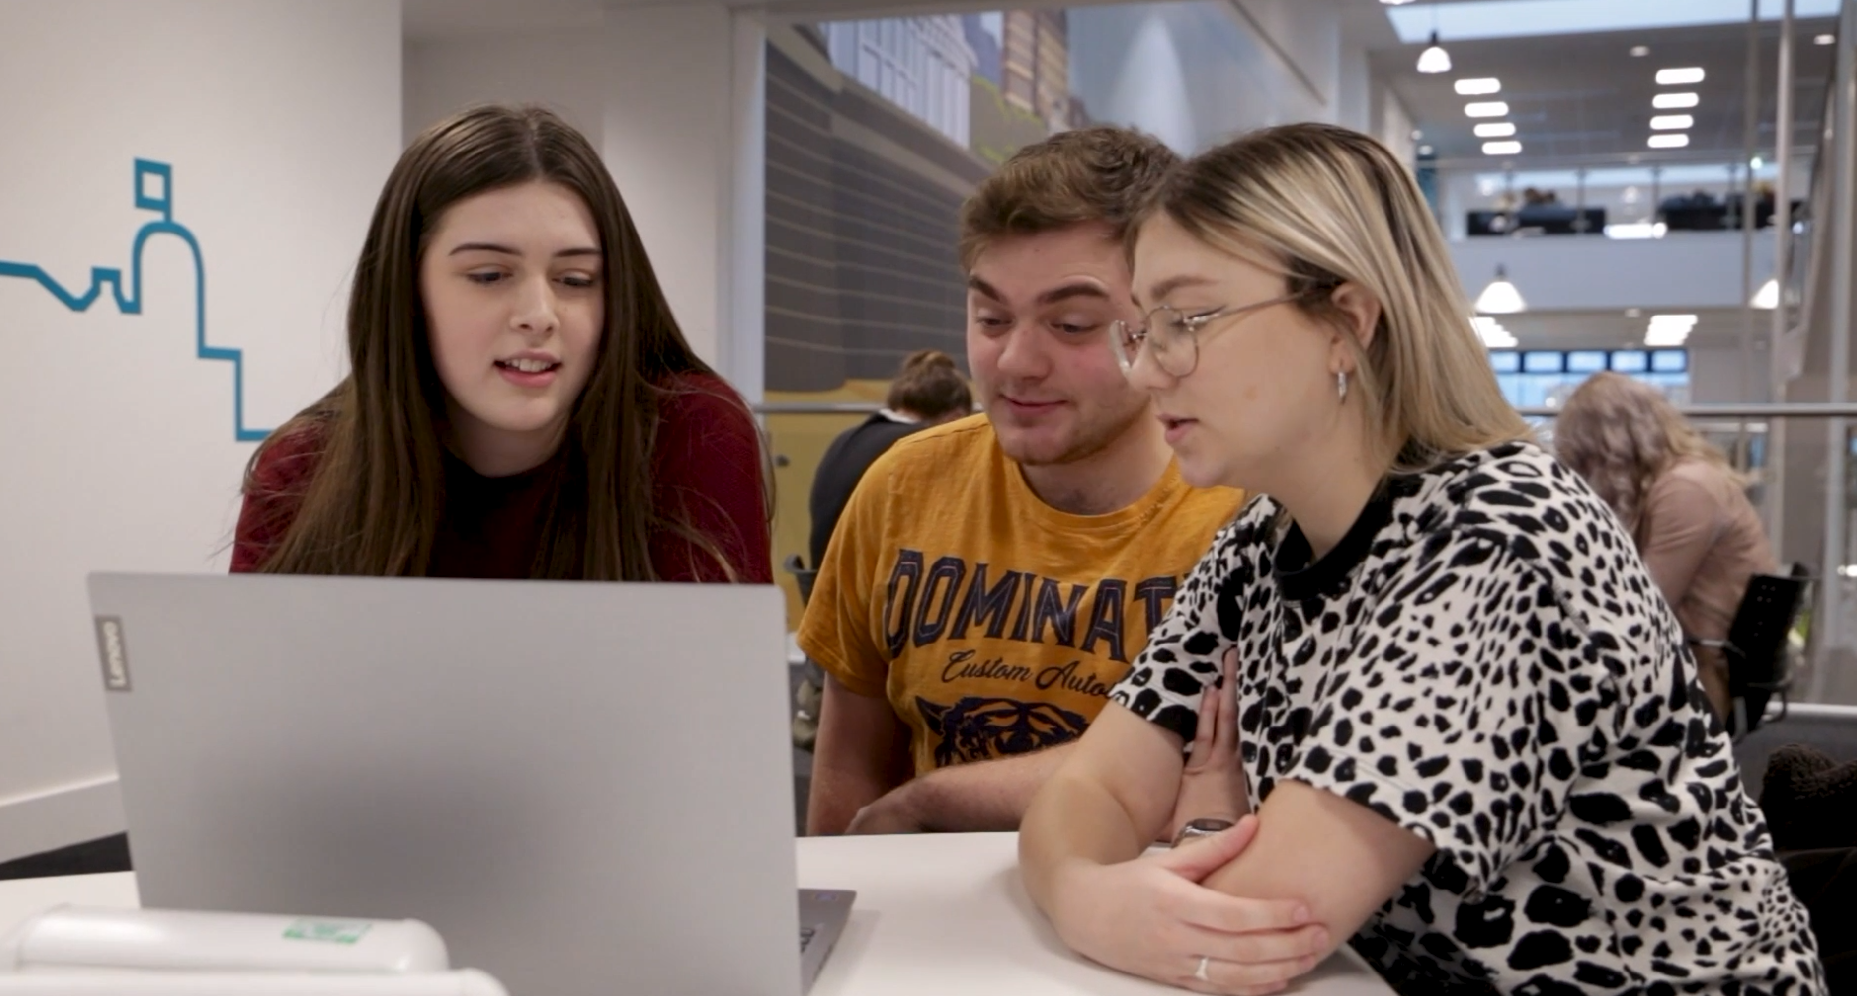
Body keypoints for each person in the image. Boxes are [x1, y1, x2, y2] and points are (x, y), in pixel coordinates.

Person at [1018, 123, 1823, 996]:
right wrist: (1079, 892)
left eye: (1188, 319)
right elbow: (1088, 791)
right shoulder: (1261, 538)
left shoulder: (1501, 539)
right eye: (1143, 329)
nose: (1145, 372)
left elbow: (1263, 917)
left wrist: (1162, 848)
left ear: (1344, 323)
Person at [799, 127, 1248, 836]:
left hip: (1142, 924)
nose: (1015, 361)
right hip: (933, 924)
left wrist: (937, 799)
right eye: (990, 317)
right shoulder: (904, 487)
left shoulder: (1244, 513)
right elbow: (848, 784)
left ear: (1161, 324)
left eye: (1070, 324)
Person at [232, 104, 768, 583]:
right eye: (489, 276)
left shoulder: (692, 432)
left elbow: (709, 688)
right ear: (407, 292)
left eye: (576, 280)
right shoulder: (304, 468)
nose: (539, 316)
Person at [1555, 371, 1780, 723]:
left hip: (1699, 675)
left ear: (1607, 448)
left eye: (1583, 460)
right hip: (1697, 662)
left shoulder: (1685, 490)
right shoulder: (1682, 481)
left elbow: (1644, 609)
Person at [806, 349, 972, 570]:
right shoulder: (920, 446)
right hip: (873, 594)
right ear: (956, 420)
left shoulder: (848, 438)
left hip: (826, 589)